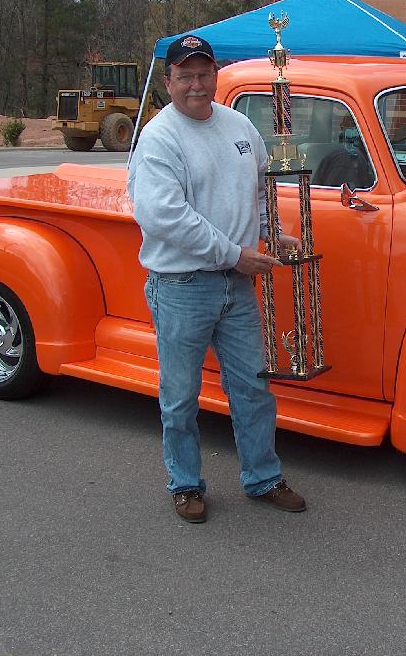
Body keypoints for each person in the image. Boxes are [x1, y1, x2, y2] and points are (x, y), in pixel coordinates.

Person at [127, 35, 307, 524]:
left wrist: (276, 235)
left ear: (215, 77)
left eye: (204, 73)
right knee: (181, 394)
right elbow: (165, 216)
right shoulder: (160, 138)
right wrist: (235, 254)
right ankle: (185, 484)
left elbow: (255, 194)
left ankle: (263, 478)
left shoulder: (239, 126)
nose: (197, 84)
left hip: (235, 284)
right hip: (183, 287)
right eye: (185, 76)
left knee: (252, 386)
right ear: (168, 83)